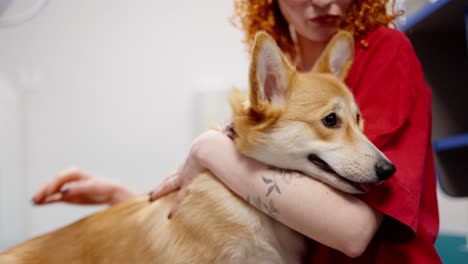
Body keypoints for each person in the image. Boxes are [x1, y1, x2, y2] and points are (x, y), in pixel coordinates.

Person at [32, 0, 441, 262]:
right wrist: (130, 204)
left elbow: (352, 232)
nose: (322, 1)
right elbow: (273, 205)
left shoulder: (385, 51)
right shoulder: (290, 72)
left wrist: (210, 147)